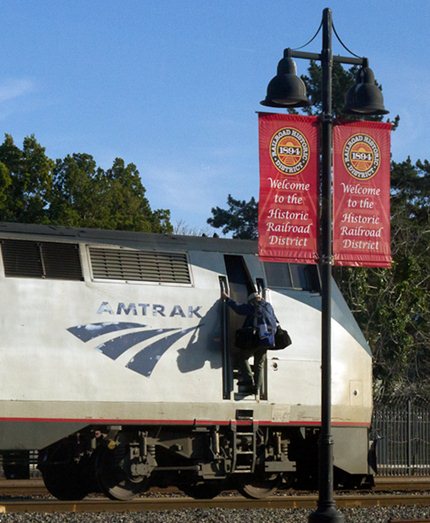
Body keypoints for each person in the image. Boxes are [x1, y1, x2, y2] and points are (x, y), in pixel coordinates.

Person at [221, 290, 277, 396]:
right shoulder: (268, 307)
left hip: (257, 339)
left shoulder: (254, 306)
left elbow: (239, 309)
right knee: (259, 364)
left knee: (242, 357)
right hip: (268, 340)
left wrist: (227, 299)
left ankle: (248, 380)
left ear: (252, 300)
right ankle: (257, 388)